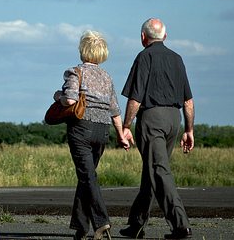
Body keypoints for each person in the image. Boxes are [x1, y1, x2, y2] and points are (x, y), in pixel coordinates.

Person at [119, 18, 195, 240]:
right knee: (151, 170)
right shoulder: (177, 59)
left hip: (152, 119)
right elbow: (188, 101)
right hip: (174, 119)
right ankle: (136, 224)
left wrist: (126, 126)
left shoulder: (144, 57)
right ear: (165, 36)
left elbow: (135, 97)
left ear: (143, 37)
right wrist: (189, 130)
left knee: (159, 170)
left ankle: (181, 225)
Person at [53, 30, 130, 240]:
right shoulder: (107, 77)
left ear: (82, 50)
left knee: (88, 177)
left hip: (81, 129)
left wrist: (58, 96)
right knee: (86, 177)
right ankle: (80, 226)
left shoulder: (75, 72)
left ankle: (101, 221)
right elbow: (115, 110)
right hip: (102, 131)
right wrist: (121, 135)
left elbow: (69, 101)